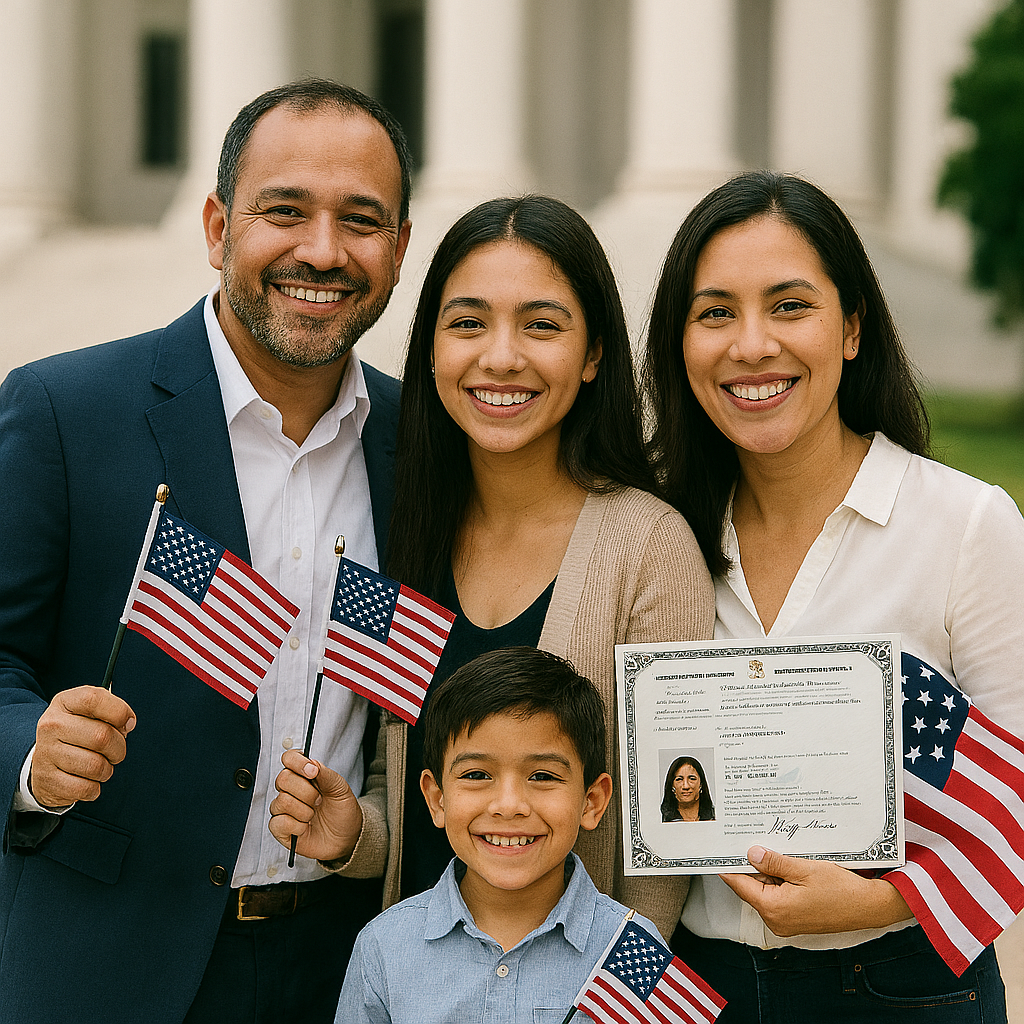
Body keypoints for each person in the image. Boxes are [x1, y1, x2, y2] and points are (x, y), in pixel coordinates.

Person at [0, 79, 412, 1024]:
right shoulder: (64, 411)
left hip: (342, 969)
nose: (322, 250)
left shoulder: (420, 441)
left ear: (396, 249)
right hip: (112, 964)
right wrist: (30, 751)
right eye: (285, 211)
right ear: (219, 225)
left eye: (361, 219)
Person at [270, 195, 714, 943]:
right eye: (468, 323)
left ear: (594, 353)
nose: (500, 356)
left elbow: (669, 844)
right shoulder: (401, 527)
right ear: (434, 350)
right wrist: (352, 836)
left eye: (541, 325)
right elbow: (402, 791)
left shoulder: (649, 544)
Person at [643, 169, 1024, 1020]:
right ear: (679, 342)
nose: (751, 345)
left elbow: (1019, 795)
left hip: (905, 985)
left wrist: (882, 901)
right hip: (701, 987)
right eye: (715, 313)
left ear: (851, 328)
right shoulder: (656, 535)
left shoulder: (966, 525)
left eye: (789, 306)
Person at [336, 646, 663, 1023]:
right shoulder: (385, 945)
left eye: (542, 776)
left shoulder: (632, 947)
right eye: (477, 775)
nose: (508, 806)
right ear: (436, 799)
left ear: (592, 801)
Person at [661, 756, 715, 822]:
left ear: (701, 784)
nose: (686, 786)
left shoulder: (716, 816)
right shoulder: (660, 820)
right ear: (672, 785)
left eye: (692, 779)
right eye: (679, 779)